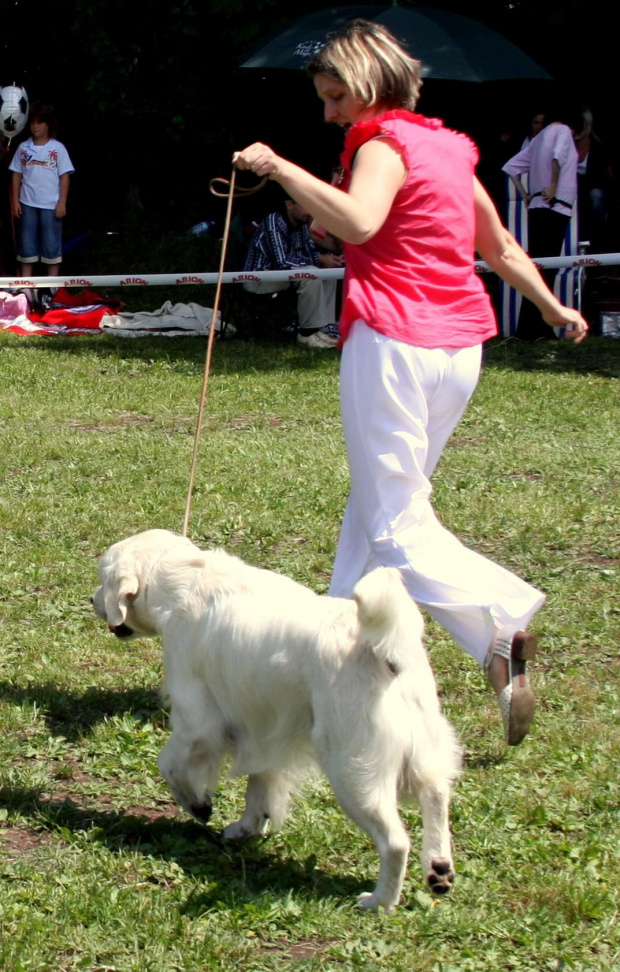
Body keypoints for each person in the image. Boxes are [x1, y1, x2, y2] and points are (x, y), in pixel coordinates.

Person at [233, 19, 588, 746]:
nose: (329, 112)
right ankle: (330, 666)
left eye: (336, 97)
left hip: (393, 341)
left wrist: (279, 167)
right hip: (459, 350)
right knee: (377, 511)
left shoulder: (380, 143)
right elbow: (503, 245)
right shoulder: (450, 149)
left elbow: (360, 224)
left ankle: (500, 618)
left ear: (368, 87)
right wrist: (553, 307)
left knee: (395, 524)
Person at [502, 116, 578, 341]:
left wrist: (526, 195)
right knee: (548, 268)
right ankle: (538, 328)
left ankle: (529, 328)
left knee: (537, 267)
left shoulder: (537, 138)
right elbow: (558, 156)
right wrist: (553, 185)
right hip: (555, 206)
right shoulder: (563, 130)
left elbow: (510, 167)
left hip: (536, 206)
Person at [243, 193, 344, 348]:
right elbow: (281, 262)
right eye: (306, 205)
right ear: (289, 204)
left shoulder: (302, 225)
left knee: (326, 272)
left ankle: (326, 328)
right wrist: (318, 260)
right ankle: (307, 333)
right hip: (259, 279)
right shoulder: (274, 221)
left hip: (284, 276)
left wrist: (325, 259)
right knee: (310, 273)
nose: (311, 211)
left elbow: (308, 253)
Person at [9, 102, 74, 278]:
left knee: (51, 246)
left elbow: (65, 176)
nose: (35, 126)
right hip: (27, 203)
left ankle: (51, 289)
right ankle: (26, 289)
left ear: (48, 125)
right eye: (32, 122)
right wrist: (15, 201)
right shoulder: (23, 148)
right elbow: (16, 174)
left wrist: (62, 203)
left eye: (40, 122)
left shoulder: (57, 148)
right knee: (26, 246)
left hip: (51, 204)